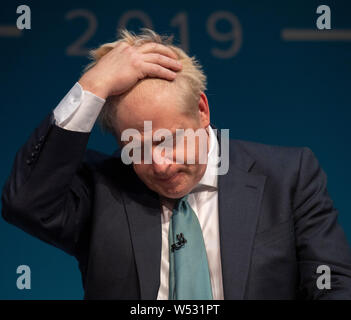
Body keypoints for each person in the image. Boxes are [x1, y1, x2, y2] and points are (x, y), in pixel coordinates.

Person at [2, 28, 351, 300]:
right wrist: (93, 85)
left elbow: (333, 286)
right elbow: (25, 202)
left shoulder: (288, 177)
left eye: (168, 140)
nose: (160, 165)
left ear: (202, 111)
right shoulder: (101, 189)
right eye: (135, 148)